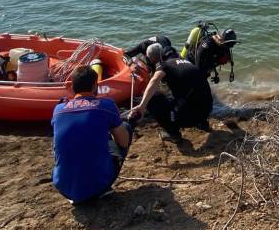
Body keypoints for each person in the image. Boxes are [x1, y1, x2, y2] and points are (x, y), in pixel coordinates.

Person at [51, 65, 133, 204]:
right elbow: (123, 142)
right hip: (97, 187)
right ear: (95, 86)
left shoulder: (58, 109)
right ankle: (102, 188)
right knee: (126, 127)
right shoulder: (106, 105)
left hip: (64, 188)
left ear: (72, 86)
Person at [127, 42, 213, 140]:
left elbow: (154, 80)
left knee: (153, 98)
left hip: (190, 118)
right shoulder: (189, 64)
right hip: (207, 111)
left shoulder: (165, 65)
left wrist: (142, 106)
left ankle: (173, 133)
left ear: (162, 58)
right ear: (176, 54)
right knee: (191, 93)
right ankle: (202, 124)